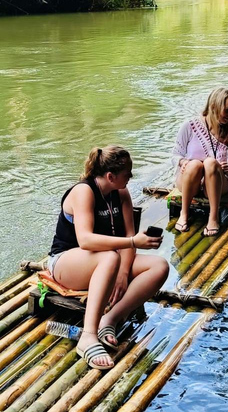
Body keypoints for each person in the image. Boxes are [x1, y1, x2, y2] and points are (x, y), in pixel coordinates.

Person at [48, 146, 169, 370]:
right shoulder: (83, 191)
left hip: (106, 264)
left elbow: (128, 235)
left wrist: (124, 274)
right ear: (110, 176)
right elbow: (85, 240)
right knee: (109, 258)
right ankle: (88, 336)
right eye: (127, 174)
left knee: (159, 266)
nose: (131, 178)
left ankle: (110, 320)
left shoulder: (121, 193)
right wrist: (133, 244)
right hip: (66, 262)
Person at [171, 88, 228, 236]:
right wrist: (183, 162)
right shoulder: (190, 126)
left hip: (217, 183)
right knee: (195, 164)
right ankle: (184, 213)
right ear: (213, 107)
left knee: (211, 163)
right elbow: (175, 155)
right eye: (227, 110)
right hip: (191, 179)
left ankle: (213, 217)